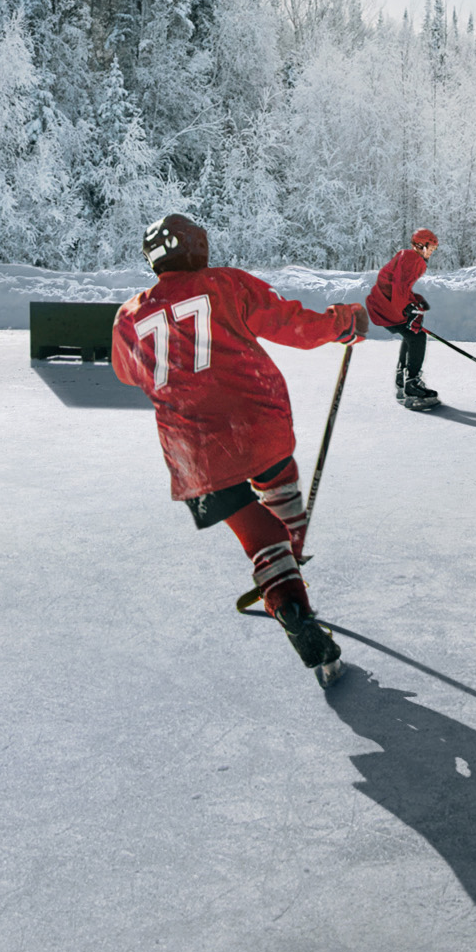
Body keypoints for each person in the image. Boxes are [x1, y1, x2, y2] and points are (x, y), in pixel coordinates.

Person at [112, 212, 371, 682]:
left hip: (193, 454)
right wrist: (343, 323)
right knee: (276, 477)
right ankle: (289, 554)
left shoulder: (129, 315)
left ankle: (286, 591)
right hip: (257, 424)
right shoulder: (226, 284)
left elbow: (127, 372)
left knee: (255, 533)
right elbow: (291, 324)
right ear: (198, 248)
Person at [367, 227, 442, 412]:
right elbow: (399, 286)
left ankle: (403, 377)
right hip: (385, 306)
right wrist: (407, 309)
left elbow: (402, 287)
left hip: (382, 304)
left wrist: (415, 301)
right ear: (420, 245)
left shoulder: (408, 257)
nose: (431, 253)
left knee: (412, 334)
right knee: (417, 337)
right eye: (430, 248)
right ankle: (412, 384)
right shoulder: (411, 258)